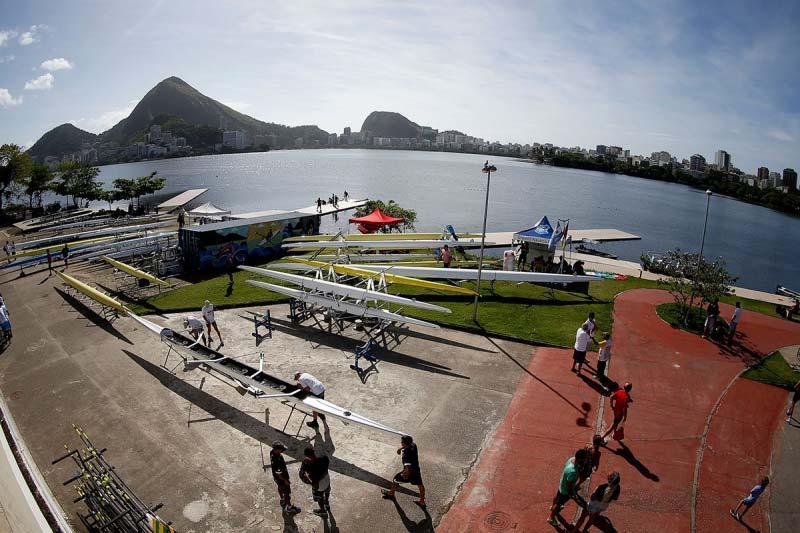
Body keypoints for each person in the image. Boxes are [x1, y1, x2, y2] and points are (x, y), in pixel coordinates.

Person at [381, 435, 426, 508]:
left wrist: (405, 475)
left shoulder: (406, 454)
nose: (401, 443)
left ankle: (391, 494)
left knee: (395, 480)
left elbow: (408, 467)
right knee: (420, 485)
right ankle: (422, 501)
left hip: (409, 472)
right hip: (416, 470)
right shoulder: (413, 445)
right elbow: (407, 445)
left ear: (404, 443)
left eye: (402, 442)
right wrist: (400, 449)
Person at [547, 448, 589, 526]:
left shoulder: (572, 459)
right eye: (585, 459)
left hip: (561, 485)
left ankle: (552, 506)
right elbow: (569, 485)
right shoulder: (573, 471)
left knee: (557, 497)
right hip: (565, 491)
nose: (586, 461)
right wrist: (572, 493)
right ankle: (551, 517)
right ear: (580, 459)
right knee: (558, 505)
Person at [270, 441, 301, 515]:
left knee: (280, 488)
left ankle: (282, 499)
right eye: (281, 449)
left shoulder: (272, 452)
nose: (282, 451)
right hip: (281, 479)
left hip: (276, 478)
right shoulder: (277, 460)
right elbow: (279, 474)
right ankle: (289, 508)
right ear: (277, 450)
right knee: (287, 493)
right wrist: (286, 480)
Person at [299, 447, 331, 517]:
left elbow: (314, 482)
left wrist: (307, 476)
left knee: (320, 498)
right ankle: (327, 503)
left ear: (307, 456)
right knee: (327, 491)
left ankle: (323, 511)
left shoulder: (312, 467)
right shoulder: (324, 459)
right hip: (327, 480)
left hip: (320, 486)